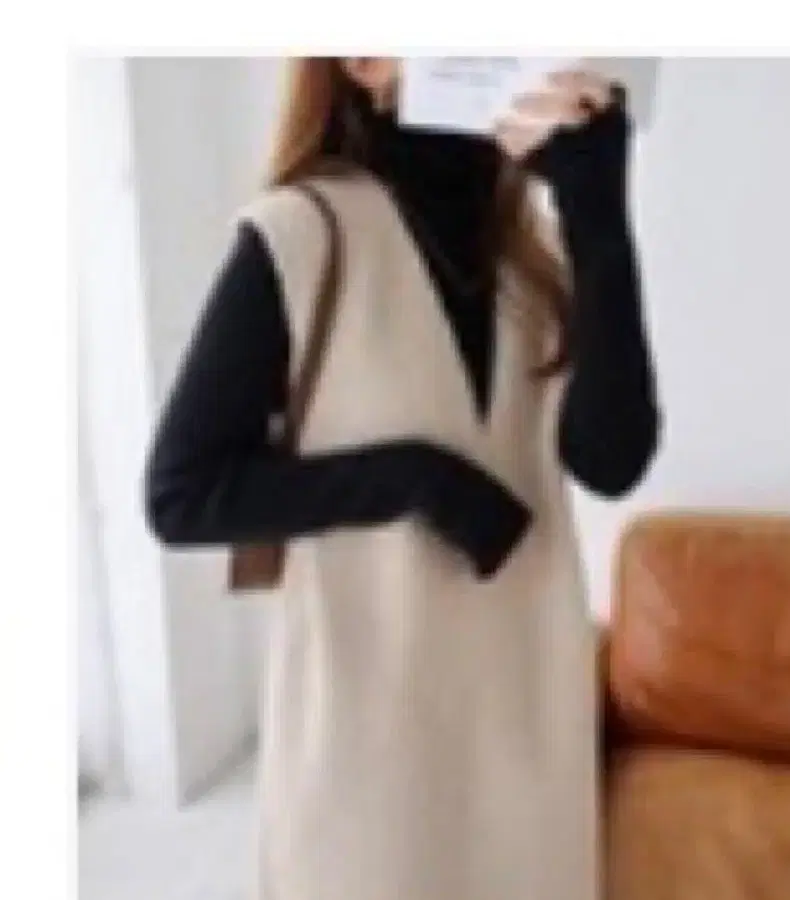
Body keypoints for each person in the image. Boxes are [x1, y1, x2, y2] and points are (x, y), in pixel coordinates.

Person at [145, 57, 661, 900]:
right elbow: (182, 495)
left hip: (527, 723)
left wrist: (598, 211)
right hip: (367, 737)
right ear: (363, 59)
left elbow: (612, 460)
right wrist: (418, 479)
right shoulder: (300, 234)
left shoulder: (530, 262)